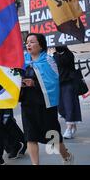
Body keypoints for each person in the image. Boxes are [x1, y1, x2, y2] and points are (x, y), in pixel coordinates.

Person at [20, 33, 74, 165]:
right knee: (30, 137)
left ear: (41, 45)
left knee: (52, 136)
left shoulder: (49, 60)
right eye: (27, 42)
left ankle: (66, 156)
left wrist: (34, 83)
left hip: (45, 103)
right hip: (28, 103)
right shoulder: (22, 61)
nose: (28, 44)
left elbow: (53, 81)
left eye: (32, 42)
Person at [54, 46, 82, 139]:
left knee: (69, 105)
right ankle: (72, 124)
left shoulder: (68, 54)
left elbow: (63, 62)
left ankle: (69, 128)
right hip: (58, 84)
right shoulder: (54, 55)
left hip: (69, 83)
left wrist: (56, 55)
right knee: (61, 108)